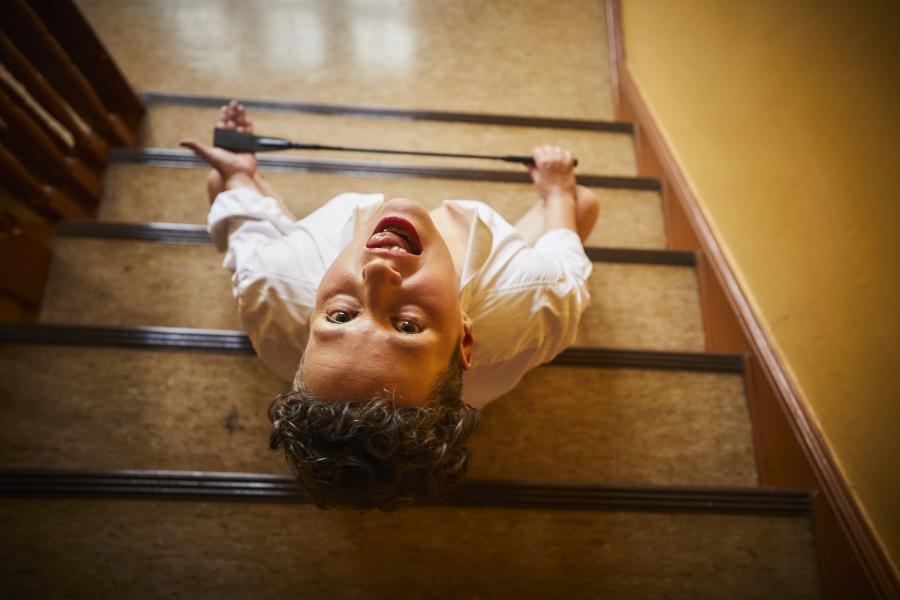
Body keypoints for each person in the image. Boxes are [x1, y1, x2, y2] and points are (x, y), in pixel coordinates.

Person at [181, 101, 599, 512]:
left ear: (305, 332)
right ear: (465, 339)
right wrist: (558, 189)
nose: (377, 273)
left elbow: (249, 230)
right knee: (581, 203)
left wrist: (239, 173)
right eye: (407, 327)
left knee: (221, 185)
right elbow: (569, 269)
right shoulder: (538, 297)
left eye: (340, 317)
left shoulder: (273, 283)